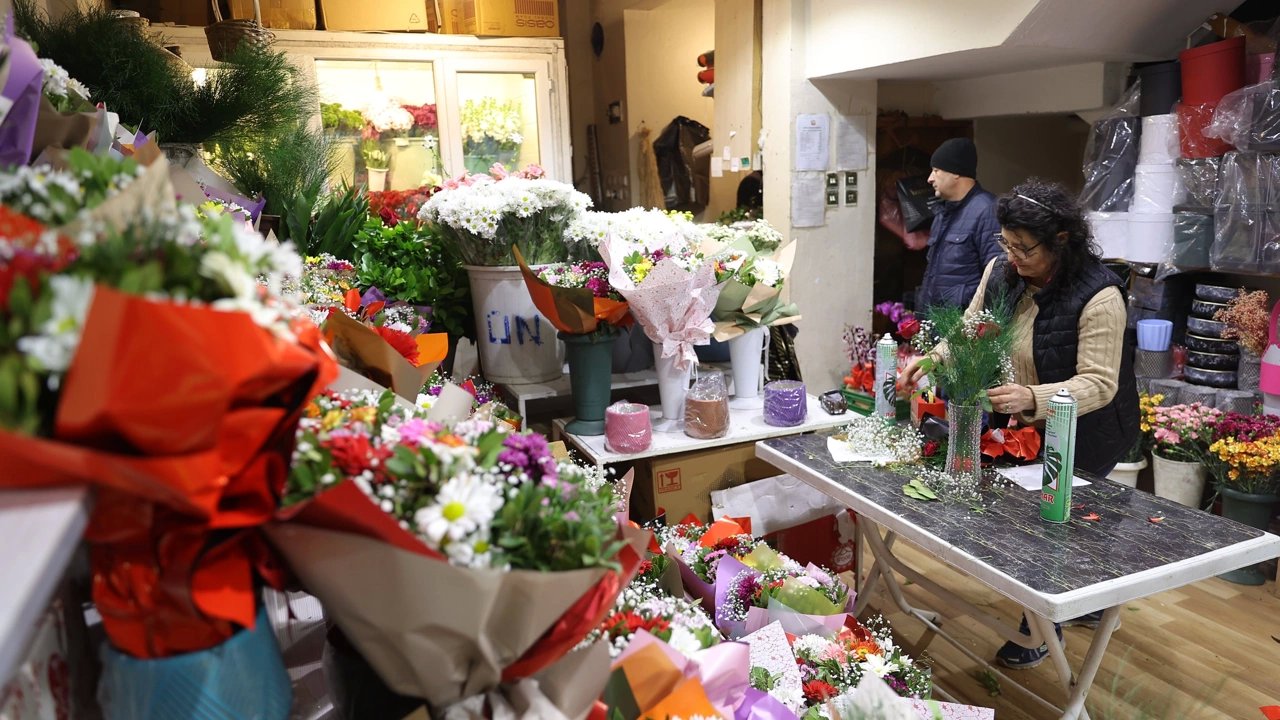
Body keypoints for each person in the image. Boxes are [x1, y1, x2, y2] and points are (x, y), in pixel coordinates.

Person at [900, 178, 1140, 669]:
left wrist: (1033, 397)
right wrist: (934, 359)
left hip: (1088, 426)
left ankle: (1040, 629)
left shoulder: (1099, 296)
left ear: (1061, 241)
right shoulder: (1002, 272)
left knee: (1058, 521)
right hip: (1027, 417)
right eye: (1005, 244)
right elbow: (971, 329)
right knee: (1029, 519)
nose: (1013, 257)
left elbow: (1098, 383)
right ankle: (1064, 606)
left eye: (1024, 248)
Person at [915, 138, 1003, 310]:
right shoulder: (943, 212)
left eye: (936, 170)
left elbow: (996, 276)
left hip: (962, 326)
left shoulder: (987, 210)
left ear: (955, 172)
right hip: (936, 322)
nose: (930, 178)